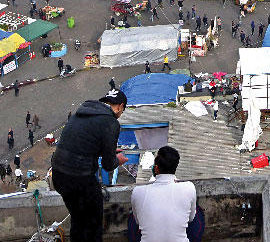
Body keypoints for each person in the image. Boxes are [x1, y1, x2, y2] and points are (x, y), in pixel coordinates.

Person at [51, 89, 128, 242]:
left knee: (78, 219)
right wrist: (117, 159)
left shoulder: (81, 113)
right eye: (122, 110)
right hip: (79, 179)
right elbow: (107, 165)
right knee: (93, 225)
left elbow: (83, 144)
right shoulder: (111, 122)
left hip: (59, 175)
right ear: (120, 106)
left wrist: (105, 152)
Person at [129, 146, 203, 242]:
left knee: (134, 215)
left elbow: (138, 222)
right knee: (197, 211)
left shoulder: (137, 192)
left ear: (156, 169)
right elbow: (191, 218)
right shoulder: (189, 187)